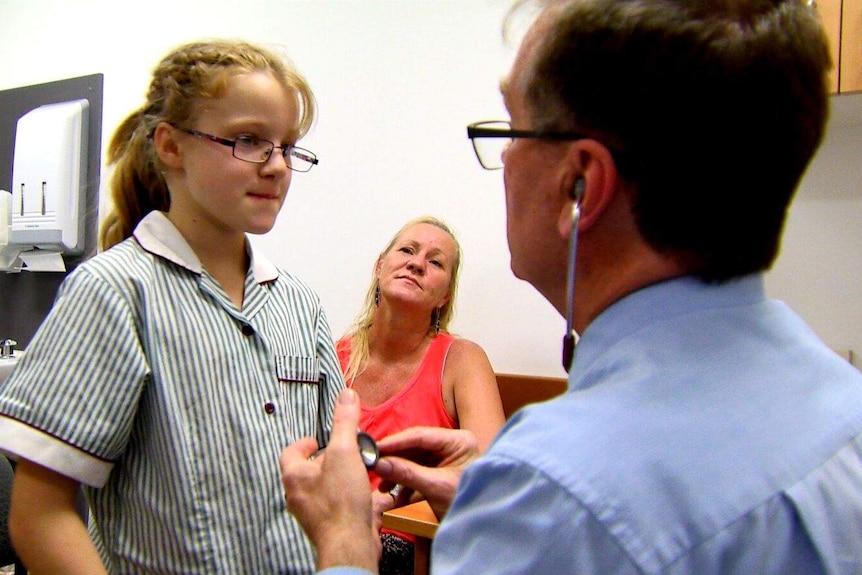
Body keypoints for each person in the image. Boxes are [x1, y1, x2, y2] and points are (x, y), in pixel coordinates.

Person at [280, 0, 862, 573]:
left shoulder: (558, 490)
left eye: (512, 127)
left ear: (579, 185)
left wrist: (345, 544)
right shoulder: (846, 404)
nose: (504, 158)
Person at [0, 39, 344, 574]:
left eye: (286, 146)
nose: (277, 166)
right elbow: (40, 516)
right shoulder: (116, 293)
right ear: (171, 146)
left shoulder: (299, 307)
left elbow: (328, 477)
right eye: (249, 141)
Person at [337, 216, 505, 574]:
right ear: (380, 265)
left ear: (445, 295)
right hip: (332, 532)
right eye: (408, 250)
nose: (417, 263)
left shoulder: (463, 360)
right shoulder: (333, 354)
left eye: (435, 261)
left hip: (410, 545)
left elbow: (490, 480)